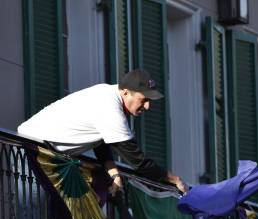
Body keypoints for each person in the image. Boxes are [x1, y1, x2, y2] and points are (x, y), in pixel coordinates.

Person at [18, 68, 187, 194]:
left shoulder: (107, 94)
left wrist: (113, 172)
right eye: (144, 100)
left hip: (37, 151)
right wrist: (174, 179)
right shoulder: (110, 108)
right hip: (31, 152)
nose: (148, 106)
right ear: (126, 92)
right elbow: (138, 163)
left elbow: (100, 140)